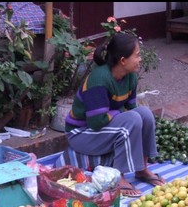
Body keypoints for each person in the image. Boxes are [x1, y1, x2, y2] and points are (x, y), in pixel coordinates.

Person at [64, 32, 165, 197]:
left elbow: (132, 109)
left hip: (102, 128)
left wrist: (117, 114)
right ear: (123, 60)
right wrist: (118, 112)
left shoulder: (130, 77)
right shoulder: (99, 79)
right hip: (81, 134)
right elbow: (96, 122)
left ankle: (141, 169)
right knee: (131, 119)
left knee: (144, 114)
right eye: (137, 56)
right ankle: (119, 176)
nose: (140, 59)